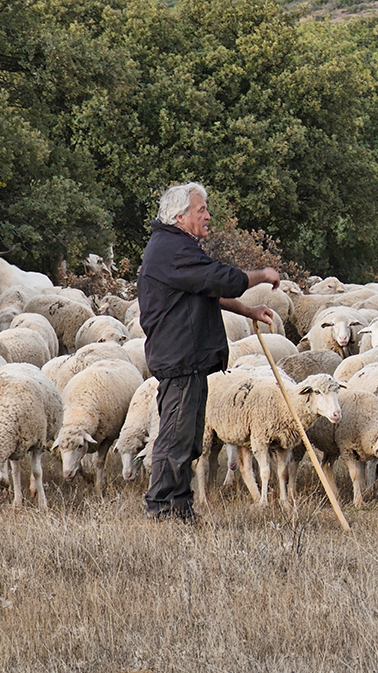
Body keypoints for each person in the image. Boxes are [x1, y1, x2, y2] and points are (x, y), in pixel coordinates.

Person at [138, 182, 277, 522]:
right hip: (181, 357)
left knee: (187, 438)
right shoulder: (173, 249)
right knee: (177, 438)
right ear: (180, 216)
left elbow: (204, 288)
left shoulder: (176, 247)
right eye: (201, 210)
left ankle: (179, 507)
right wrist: (261, 274)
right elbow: (221, 279)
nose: (208, 216)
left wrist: (248, 311)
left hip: (187, 357)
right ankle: (163, 510)